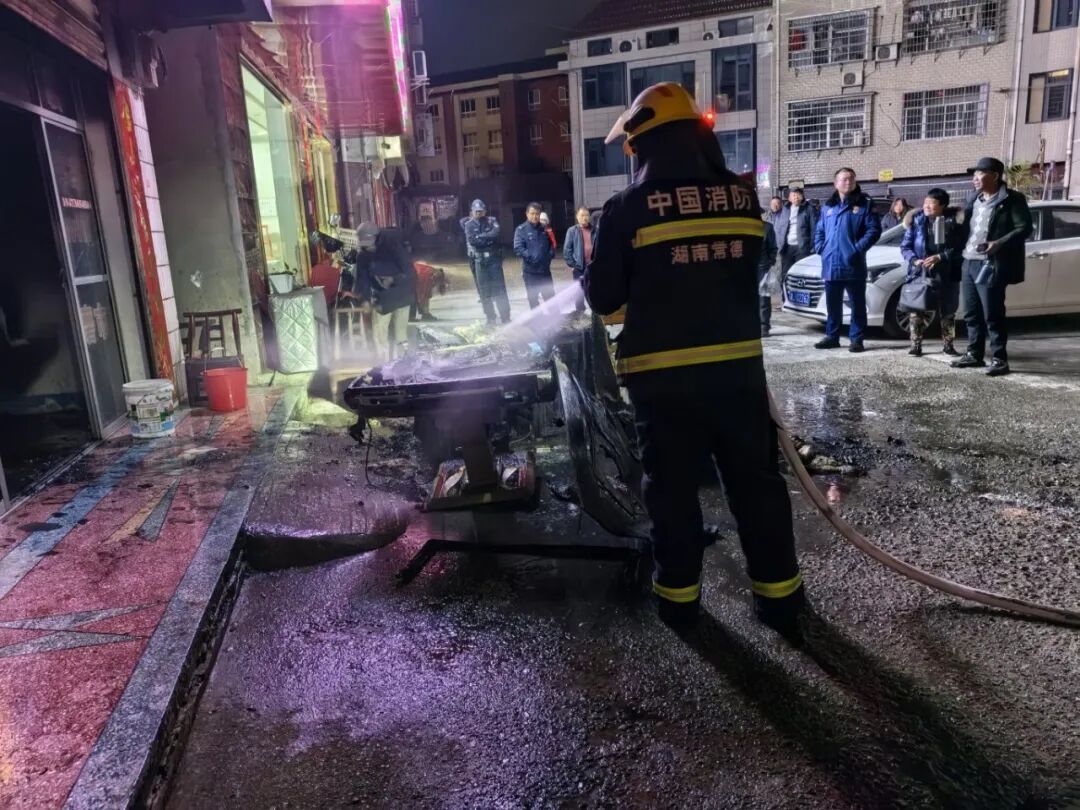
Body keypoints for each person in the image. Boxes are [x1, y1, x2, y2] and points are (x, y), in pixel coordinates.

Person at [584, 82, 805, 635]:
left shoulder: (627, 208)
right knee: (756, 487)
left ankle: (679, 603)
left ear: (643, 144)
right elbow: (756, 260)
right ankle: (780, 601)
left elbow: (603, 297)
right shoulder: (742, 197)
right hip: (737, 375)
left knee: (672, 493)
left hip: (663, 383)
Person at [951, 157, 1033, 377]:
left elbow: (1024, 228)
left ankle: (999, 359)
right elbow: (965, 229)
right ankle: (974, 354)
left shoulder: (1012, 199)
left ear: (995, 175)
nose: (975, 178)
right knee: (971, 313)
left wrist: (999, 243)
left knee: (992, 313)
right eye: (974, 174)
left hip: (991, 263)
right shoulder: (973, 198)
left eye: (980, 173)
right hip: (969, 261)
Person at [813, 168, 881, 353]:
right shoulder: (828, 207)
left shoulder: (865, 204)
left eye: (851, 179)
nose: (848, 182)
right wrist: (820, 248)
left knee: (857, 304)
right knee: (832, 305)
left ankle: (856, 339)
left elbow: (874, 231)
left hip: (853, 264)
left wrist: (856, 250)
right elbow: (819, 230)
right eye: (844, 179)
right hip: (831, 264)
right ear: (835, 183)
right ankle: (832, 336)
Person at [899, 188, 964, 356]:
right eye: (925, 202)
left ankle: (948, 345)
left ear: (942, 205)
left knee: (948, 311)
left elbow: (960, 248)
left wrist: (940, 257)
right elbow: (905, 247)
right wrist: (915, 260)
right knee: (916, 309)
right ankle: (915, 345)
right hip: (921, 272)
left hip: (947, 272)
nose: (926, 206)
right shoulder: (916, 221)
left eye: (932, 203)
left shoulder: (954, 222)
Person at [348, 222, 415, 362]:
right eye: (365, 245)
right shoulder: (363, 256)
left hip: (401, 293)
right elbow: (363, 280)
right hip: (382, 296)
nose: (368, 247)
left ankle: (404, 359)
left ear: (377, 237)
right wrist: (365, 299)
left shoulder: (393, 246)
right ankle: (384, 362)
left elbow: (409, 271)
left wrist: (394, 279)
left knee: (400, 333)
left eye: (370, 243)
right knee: (379, 332)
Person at [462, 199, 512, 325]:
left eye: (481, 211)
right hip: (480, 261)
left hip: (494, 260)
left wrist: (480, 236)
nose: (479, 213)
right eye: (476, 211)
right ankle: (490, 318)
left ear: (484, 211)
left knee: (500, 289)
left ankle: (505, 317)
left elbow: (496, 234)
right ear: (472, 212)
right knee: (484, 292)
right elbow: (473, 241)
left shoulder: (491, 220)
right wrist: (487, 238)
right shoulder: (468, 225)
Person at [773, 187, 816, 297]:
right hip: (787, 247)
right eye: (793, 195)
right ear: (789, 198)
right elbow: (780, 227)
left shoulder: (809, 208)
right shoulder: (785, 209)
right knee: (785, 273)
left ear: (802, 197)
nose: (796, 197)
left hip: (802, 247)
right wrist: (779, 244)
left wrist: (812, 247)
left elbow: (814, 229)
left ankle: (802, 299)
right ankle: (785, 298)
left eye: (798, 194)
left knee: (801, 274)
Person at [514, 203, 557, 309]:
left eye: (537, 214)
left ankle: (554, 319)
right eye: (532, 213)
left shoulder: (545, 229)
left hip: (545, 272)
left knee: (551, 299)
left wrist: (549, 255)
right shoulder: (521, 230)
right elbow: (518, 248)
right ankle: (538, 319)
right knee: (533, 300)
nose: (535, 216)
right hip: (530, 273)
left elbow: (552, 244)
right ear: (527, 214)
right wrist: (532, 258)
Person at [564, 206, 594, 313]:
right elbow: (567, 250)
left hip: (593, 267)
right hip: (579, 267)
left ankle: (594, 312)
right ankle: (580, 312)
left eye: (587, 215)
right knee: (579, 292)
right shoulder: (572, 231)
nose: (585, 218)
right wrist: (573, 265)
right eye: (582, 215)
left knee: (593, 291)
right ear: (577, 217)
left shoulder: (595, 230)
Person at [758, 214, 779, 337]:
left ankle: (764, 326)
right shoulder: (744, 227)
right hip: (746, 267)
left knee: (764, 299)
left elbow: (773, 248)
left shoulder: (767, 227)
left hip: (763, 267)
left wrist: (769, 262)